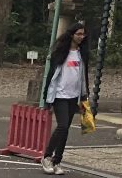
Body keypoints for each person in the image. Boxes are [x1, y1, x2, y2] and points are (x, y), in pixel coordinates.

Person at [41, 21, 90, 175]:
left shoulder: (82, 53)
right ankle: (47, 157)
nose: (81, 37)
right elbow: (51, 76)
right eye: (79, 34)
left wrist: (84, 96)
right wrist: (46, 99)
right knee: (62, 126)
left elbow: (83, 76)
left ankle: (57, 161)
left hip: (74, 97)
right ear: (71, 35)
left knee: (65, 130)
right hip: (60, 95)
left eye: (83, 34)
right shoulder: (60, 53)